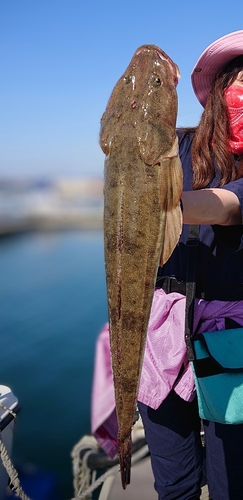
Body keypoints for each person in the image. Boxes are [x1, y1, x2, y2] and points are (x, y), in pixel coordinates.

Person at [136, 30, 243, 500]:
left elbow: (226, 206)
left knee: (229, 481)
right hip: (160, 337)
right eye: (238, 81)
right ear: (218, 92)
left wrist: (165, 200)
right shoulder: (176, 146)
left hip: (229, 343)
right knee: (174, 483)